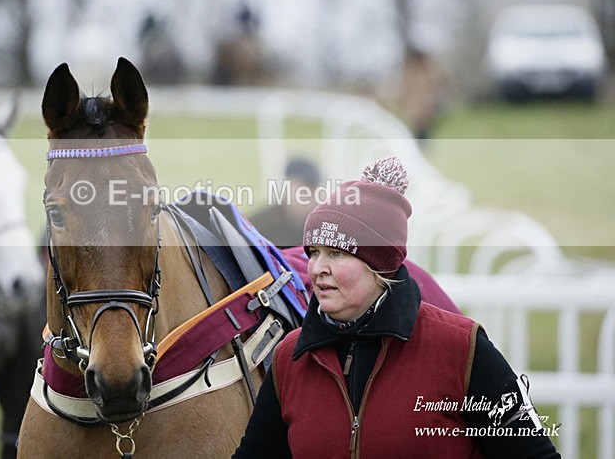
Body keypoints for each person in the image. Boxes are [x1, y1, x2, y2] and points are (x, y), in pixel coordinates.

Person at [233, 156, 559, 458]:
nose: (317, 268)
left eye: (336, 253)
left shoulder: (461, 348)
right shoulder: (291, 357)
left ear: (379, 265)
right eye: (314, 252)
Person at [250, 157, 322, 249]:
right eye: (303, 189)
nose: (310, 196)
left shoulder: (320, 224)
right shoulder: (260, 223)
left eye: (313, 190)